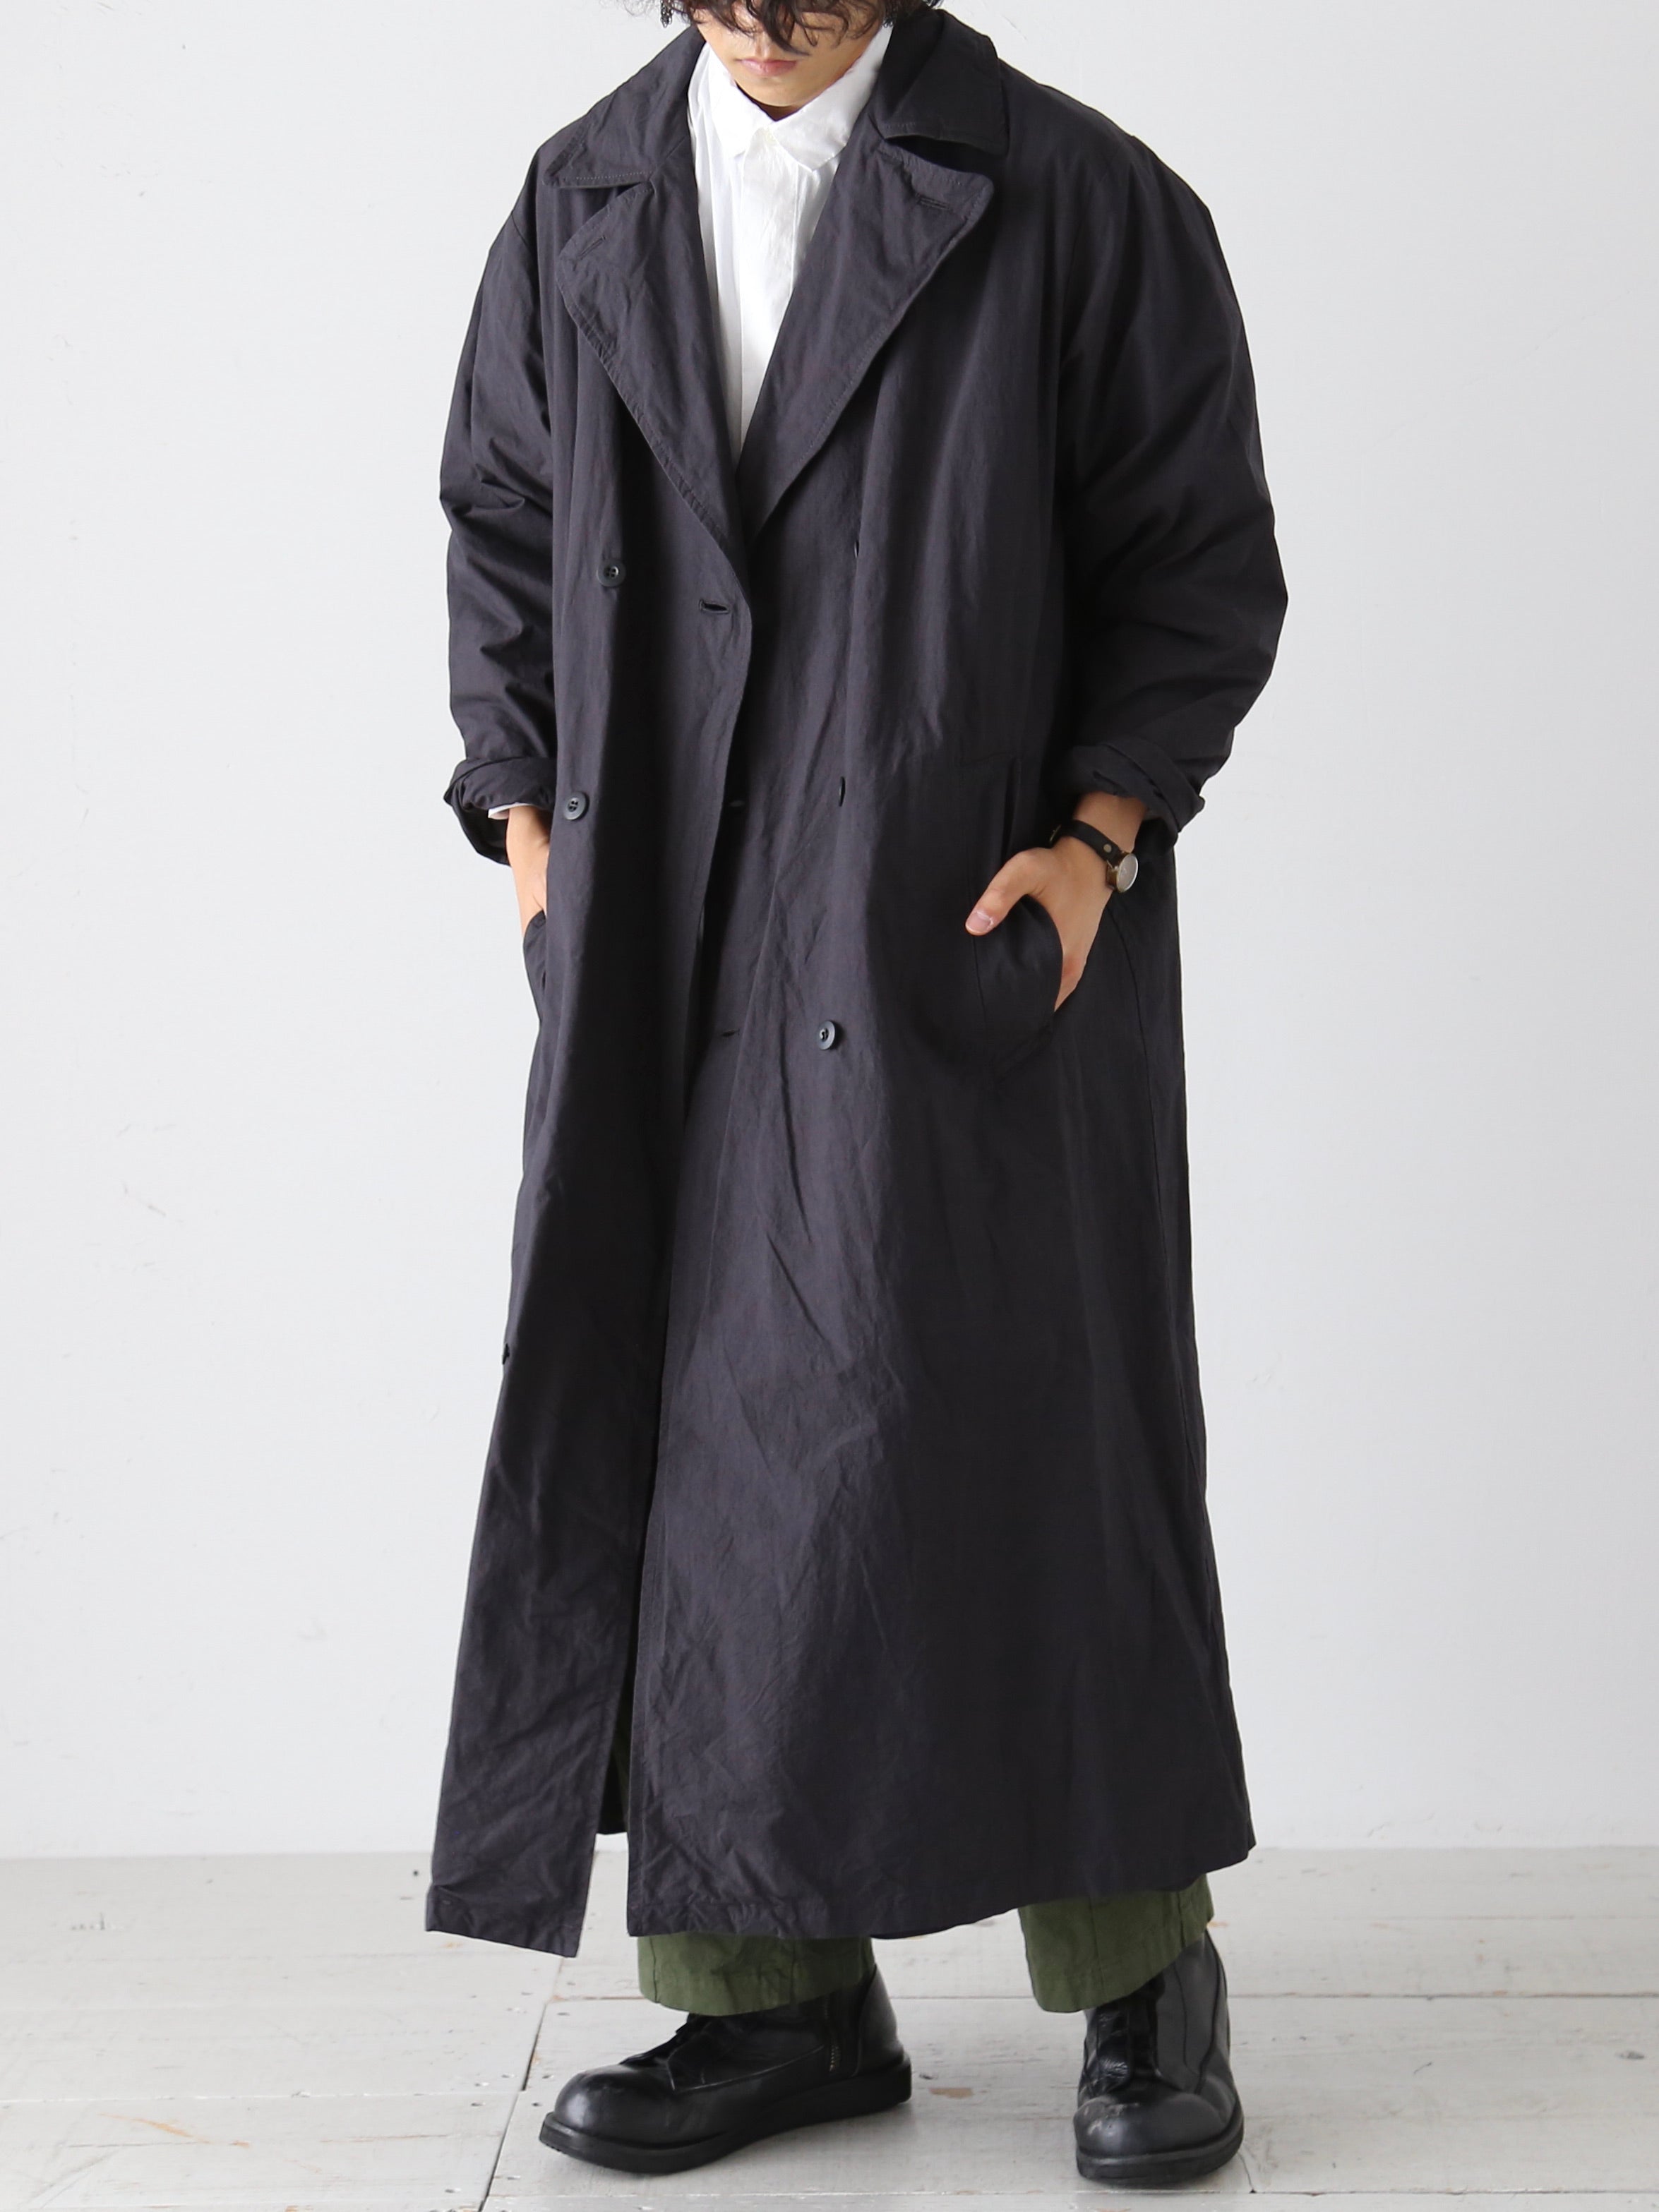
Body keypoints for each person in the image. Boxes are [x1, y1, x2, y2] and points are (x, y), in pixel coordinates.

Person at [429, 0, 1286, 2187]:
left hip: (954, 904)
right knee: (709, 1436)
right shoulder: (586, 196)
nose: (759, 11)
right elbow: (506, 513)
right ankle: (768, 2002)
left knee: (1040, 1430)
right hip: (665, 920)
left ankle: (1145, 1976)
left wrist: (1094, 846)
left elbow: (1193, 555)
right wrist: (530, 836)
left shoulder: (1079, 200)